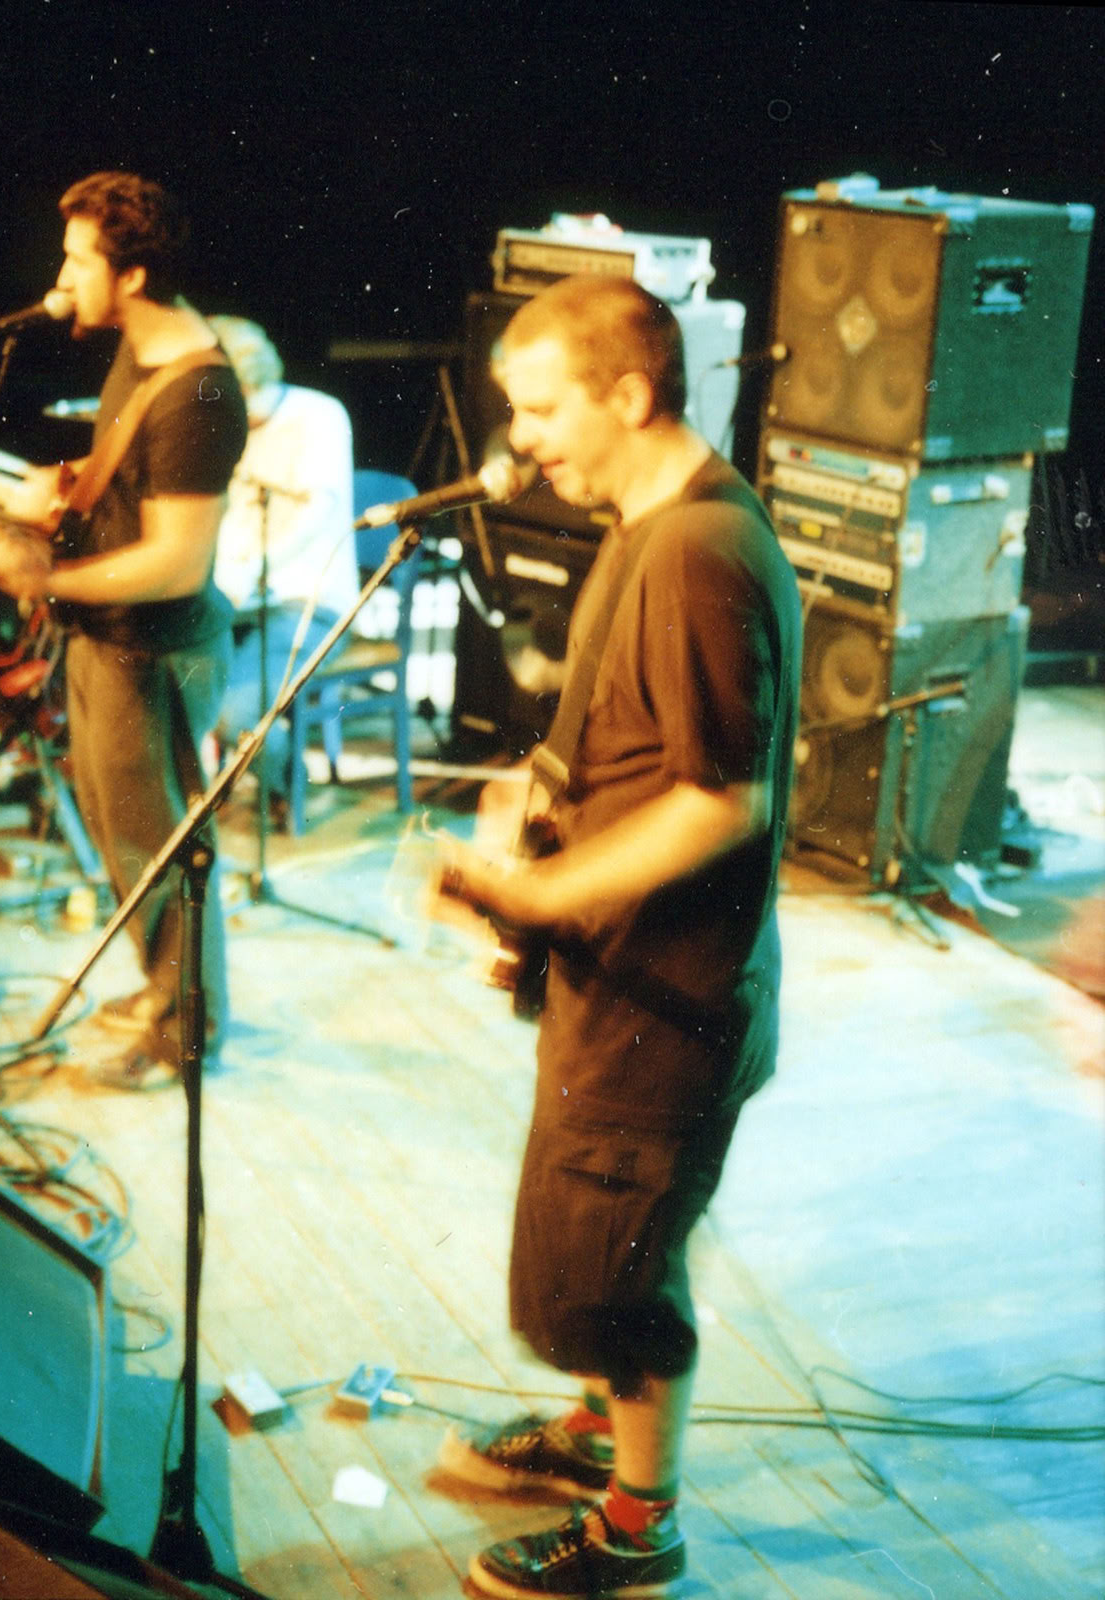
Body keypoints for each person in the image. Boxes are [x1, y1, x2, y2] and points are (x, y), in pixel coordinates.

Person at [435, 276, 801, 1599]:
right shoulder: (650, 526)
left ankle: (637, 1527)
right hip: (620, 982)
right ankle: (601, 1433)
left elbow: (721, 798)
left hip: (671, 1002)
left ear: (627, 397)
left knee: (618, 1265)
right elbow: (622, 750)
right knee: (595, 1243)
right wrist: (530, 831)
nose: (520, 437)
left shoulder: (698, 551)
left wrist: (535, 898)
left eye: (537, 408)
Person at [0, 171, 247, 1092]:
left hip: (153, 649)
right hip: (109, 635)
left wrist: (45, 577)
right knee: (128, 837)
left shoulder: (200, 390)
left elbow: (177, 561)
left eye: (79, 258)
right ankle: (168, 993)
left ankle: (182, 1033)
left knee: (152, 845)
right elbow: (137, 467)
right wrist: (68, 481)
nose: (62, 275)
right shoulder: (141, 347)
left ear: (130, 275)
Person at [204, 316, 358, 815]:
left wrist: (251, 572)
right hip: (238, 599)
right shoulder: (224, 426)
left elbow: (316, 516)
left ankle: (289, 780)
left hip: (306, 604)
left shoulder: (319, 417)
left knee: (232, 715)